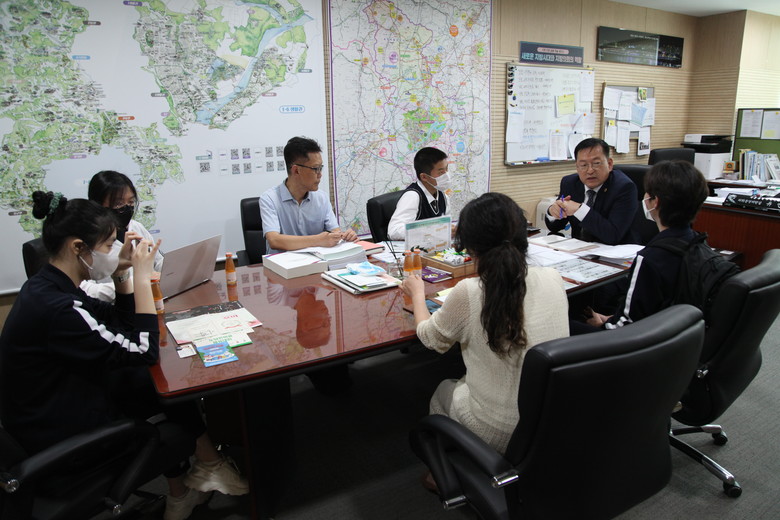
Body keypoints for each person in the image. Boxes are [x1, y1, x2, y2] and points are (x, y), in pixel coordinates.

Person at [0, 192, 248, 520]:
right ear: (78, 248)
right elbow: (142, 350)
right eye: (108, 246)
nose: (113, 252)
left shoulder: (49, 286)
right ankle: (207, 464)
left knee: (150, 382)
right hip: (67, 444)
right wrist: (142, 278)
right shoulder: (59, 308)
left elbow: (118, 320)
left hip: (54, 412)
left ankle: (198, 477)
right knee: (163, 399)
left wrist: (121, 274)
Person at [402, 192, 569, 458]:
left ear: (469, 247)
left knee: (443, 390)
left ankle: (443, 469)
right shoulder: (553, 276)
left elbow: (431, 338)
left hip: (499, 430)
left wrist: (417, 294)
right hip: (553, 421)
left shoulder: (470, 291)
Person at [585, 160, 709, 330]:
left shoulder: (650, 258)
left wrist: (602, 324)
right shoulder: (700, 244)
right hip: (677, 331)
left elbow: (625, 327)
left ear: (655, 202)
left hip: (639, 339)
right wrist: (611, 319)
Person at [260, 136, 357, 255]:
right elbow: (274, 240)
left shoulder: (321, 198)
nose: (320, 174)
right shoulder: (269, 199)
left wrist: (345, 236)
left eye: (321, 168)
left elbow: (335, 231)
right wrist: (318, 240)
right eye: (316, 169)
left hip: (316, 262)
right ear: (296, 170)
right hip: (282, 264)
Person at [81, 170, 164, 302]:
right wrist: (134, 284)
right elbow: (85, 289)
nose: (126, 208)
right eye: (118, 204)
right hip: (112, 306)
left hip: (148, 299)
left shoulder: (136, 227)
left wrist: (170, 272)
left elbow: (157, 262)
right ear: (97, 205)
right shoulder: (86, 238)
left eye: (131, 202)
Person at [546, 138, 638, 245]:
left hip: (615, 251)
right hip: (579, 250)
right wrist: (552, 211)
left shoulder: (624, 188)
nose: (590, 171)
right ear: (577, 167)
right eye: (583, 165)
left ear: (609, 164)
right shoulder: (570, 183)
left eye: (596, 163)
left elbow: (613, 235)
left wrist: (580, 210)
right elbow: (555, 226)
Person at [387, 146, 451, 240]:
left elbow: (444, 227)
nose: (447, 175)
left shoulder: (443, 196)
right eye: (441, 172)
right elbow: (394, 231)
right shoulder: (412, 196)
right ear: (424, 177)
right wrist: (430, 231)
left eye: (447, 169)